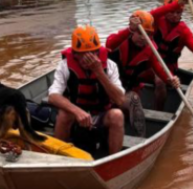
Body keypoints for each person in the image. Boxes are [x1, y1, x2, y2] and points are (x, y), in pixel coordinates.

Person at [48, 25, 125, 156]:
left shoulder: (110, 66)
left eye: (93, 52)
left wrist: (99, 72)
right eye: (82, 53)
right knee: (63, 115)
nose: (87, 57)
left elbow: (120, 99)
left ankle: (113, 159)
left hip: (101, 114)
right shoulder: (64, 66)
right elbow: (53, 96)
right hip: (76, 114)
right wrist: (77, 111)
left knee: (117, 115)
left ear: (97, 52)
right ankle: (57, 157)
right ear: (74, 54)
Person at [106, 10, 180, 134]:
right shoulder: (120, 40)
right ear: (132, 31)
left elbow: (159, 69)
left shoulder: (150, 49)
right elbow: (110, 44)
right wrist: (129, 29)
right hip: (109, 89)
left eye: (148, 34)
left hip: (129, 90)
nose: (143, 38)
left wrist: (171, 79)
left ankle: (143, 133)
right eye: (140, 33)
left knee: (135, 101)